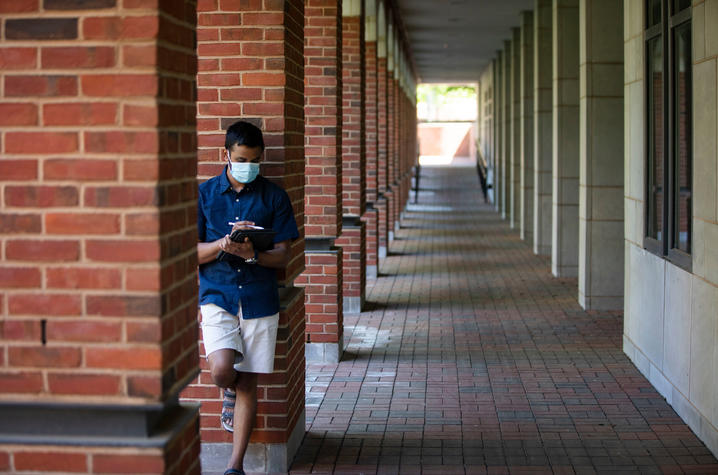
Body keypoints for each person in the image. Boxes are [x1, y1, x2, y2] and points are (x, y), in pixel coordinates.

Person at [197, 121, 299, 475]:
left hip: (258, 296)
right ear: (224, 155)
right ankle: (227, 390)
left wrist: (252, 255)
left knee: (249, 382)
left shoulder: (274, 196)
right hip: (217, 294)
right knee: (224, 371)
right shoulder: (204, 194)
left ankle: (235, 466)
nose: (249, 166)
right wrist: (222, 245)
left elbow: (284, 253)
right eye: (242, 159)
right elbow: (189, 252)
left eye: (255, 160)